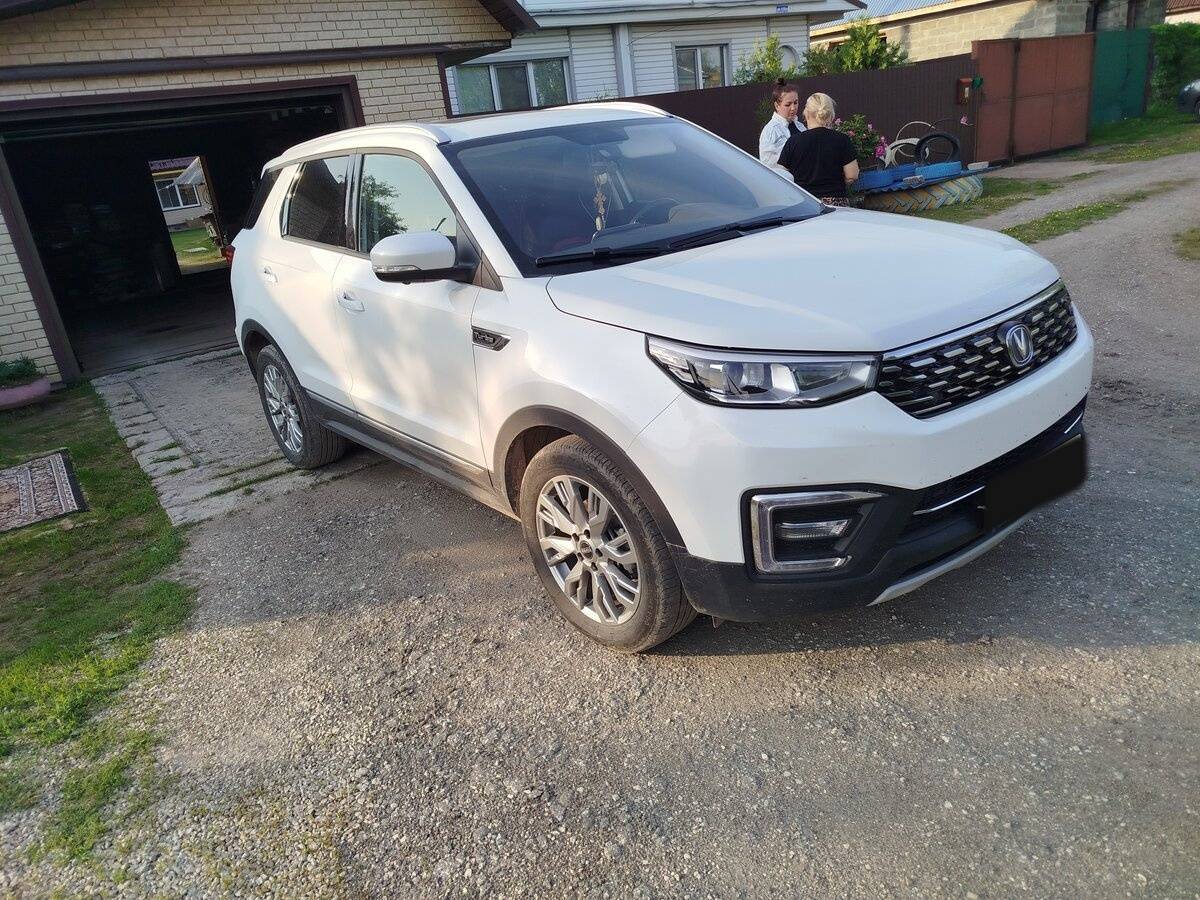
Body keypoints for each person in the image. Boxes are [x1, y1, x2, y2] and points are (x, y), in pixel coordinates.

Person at [777, 92, 860, 206]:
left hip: (805, 204)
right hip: (836, 205)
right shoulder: (842, 140)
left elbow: (781, 174)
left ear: (806, 113)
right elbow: (852, 175)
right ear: (830, 114)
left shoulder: (793, 142)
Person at [758, 79, 804, 167]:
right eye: (788, 104)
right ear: (777, 105)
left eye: (795, 103)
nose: (793, 108)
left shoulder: (801, 126)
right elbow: (767, 164)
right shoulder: (770, 130)